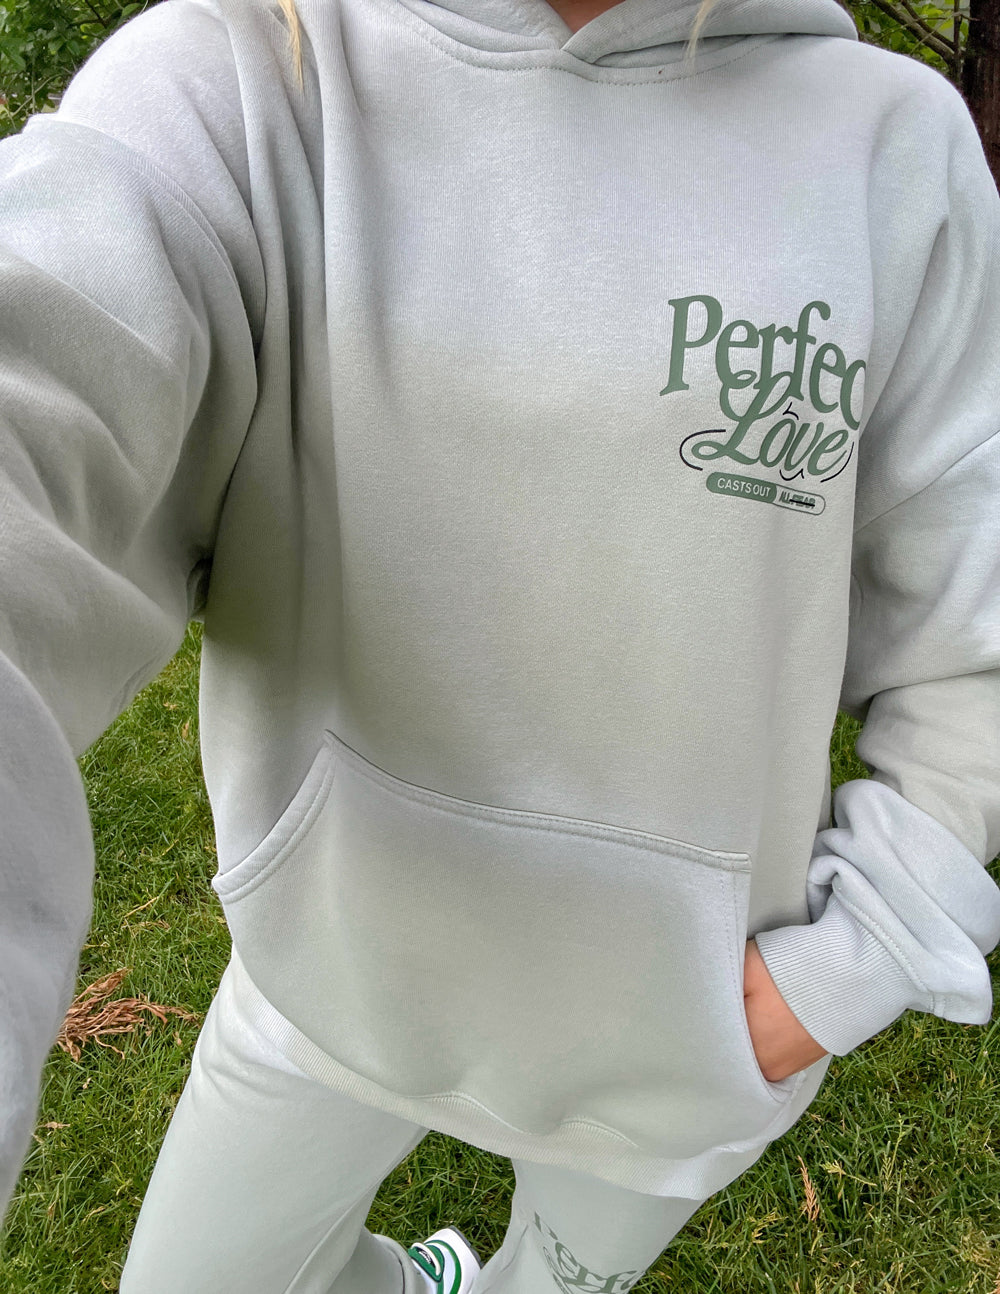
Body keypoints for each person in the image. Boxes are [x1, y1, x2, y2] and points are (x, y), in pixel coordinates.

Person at [0, 0, 998, 1287]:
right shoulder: (238, 83)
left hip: (683, 1049)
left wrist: (839, 970)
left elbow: (975, 632)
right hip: (329, 988)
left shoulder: (891, 150)